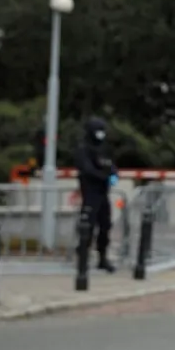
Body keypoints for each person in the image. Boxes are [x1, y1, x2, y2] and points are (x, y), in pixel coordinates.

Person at [76, 116, 117, 273]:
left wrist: (113, 174)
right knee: (88, 226)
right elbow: (87, 169)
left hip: (103, 192)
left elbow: (111, 164)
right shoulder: (83, 149)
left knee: (105, 225)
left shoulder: (104, 149)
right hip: (90, 193)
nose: (101, 134)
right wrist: (104, 176)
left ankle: (102, 257)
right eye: (98, 131)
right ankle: (83, 256)